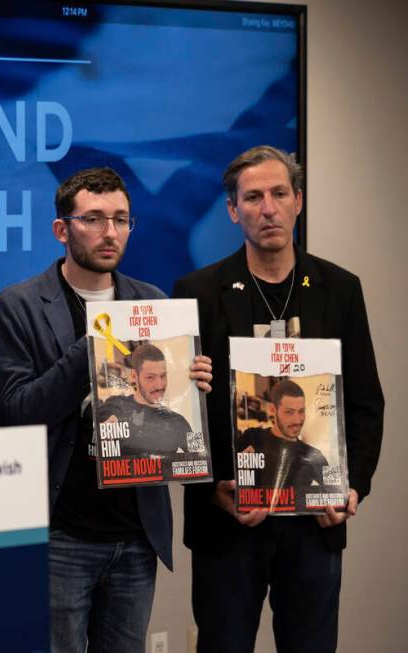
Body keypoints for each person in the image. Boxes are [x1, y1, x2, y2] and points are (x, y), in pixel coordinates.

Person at [0, 167, 212, 653]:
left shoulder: (153, 302)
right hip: (60, 534)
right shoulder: (19, 305)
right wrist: (89, 349)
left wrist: (191, 385)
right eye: (93, 219)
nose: (110, 232)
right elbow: (18, 412)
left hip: (136, 534)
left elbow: (175, 424)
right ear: (61, 230)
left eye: (121, 219)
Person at [173, 145, 384, 653]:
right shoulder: (196, 292)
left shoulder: (340, 289)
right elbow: (179, 412)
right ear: (232, 210)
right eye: (252, 197)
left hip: (315, 522)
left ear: (298, 201)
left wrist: (352, 487)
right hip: (228, 523)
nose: (267, 208)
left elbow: (364, 402)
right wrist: (210, 487)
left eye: (278, 194)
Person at [98, 342, 198, 458]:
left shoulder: (179, 421)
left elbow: (201, 456)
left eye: (163, 376)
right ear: (134, 376)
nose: (159, 385)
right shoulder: (114, 405)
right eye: (150, 377)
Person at [237, 379, 328, 488]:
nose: (297, 420)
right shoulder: (251, 437)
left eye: (301, 411)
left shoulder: (315, 455)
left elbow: (337, 489)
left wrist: (349, 493)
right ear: (272, 410)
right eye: (289, 412)